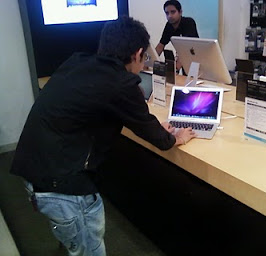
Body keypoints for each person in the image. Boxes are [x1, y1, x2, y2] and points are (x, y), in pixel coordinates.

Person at [10, 16, 195, 256]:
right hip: (64, 188)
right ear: (138, 53)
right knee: (90, 250)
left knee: (75, 244)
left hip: (34, 172)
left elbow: (101, 110)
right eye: (144, 59)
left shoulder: (77, 61)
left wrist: (147, 122)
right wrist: (177, 137)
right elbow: (160, 140)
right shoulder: (122, 83)